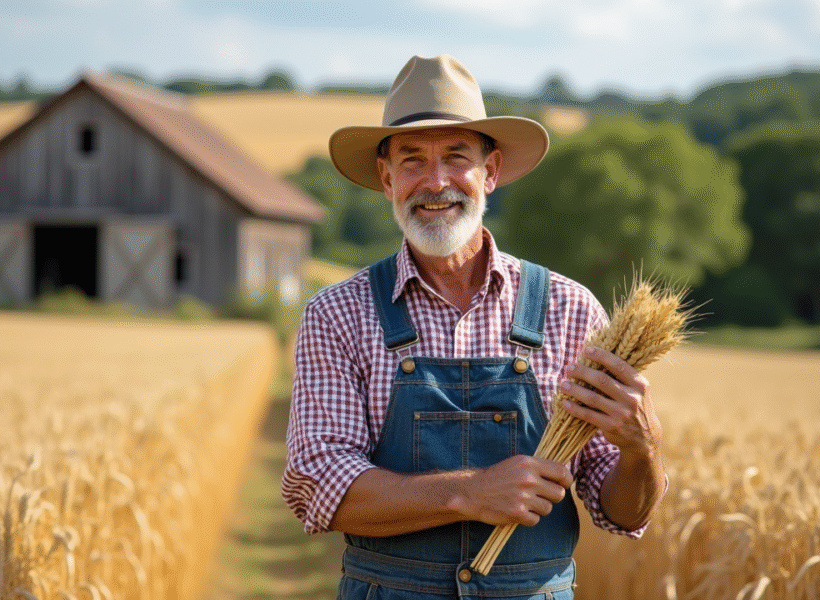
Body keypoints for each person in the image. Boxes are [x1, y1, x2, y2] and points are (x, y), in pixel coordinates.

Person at [282, 54, 666, 599]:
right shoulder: (337, 314)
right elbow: (318, 483)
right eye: (411, 161)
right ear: (387, 179)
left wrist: (643, 449)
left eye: (456, 157)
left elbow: (619, 512)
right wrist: (468, 493)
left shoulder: (570, 309)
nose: (435, 182)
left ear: (490, 173)